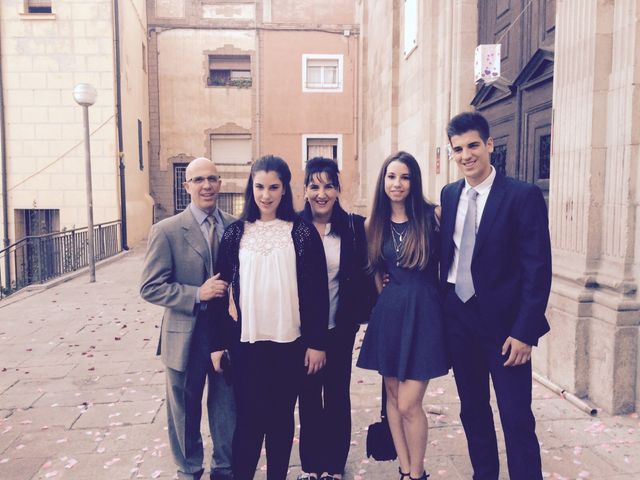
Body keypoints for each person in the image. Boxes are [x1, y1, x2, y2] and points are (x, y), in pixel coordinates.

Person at [440, 111, 552, 480]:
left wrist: (525, 331)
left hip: (506, 331)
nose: (466, 155)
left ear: (489, 145)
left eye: (473, 145)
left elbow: (538, 270)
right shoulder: (450, 194)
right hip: (460, 322)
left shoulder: (523, 195)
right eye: (458, 149)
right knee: (472, 411)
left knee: (517, 418)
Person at [210, 154, 329, 480]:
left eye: (273, 187)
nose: (266, 194)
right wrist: (217, 343)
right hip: (247, 344)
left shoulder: (302, 233)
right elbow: (220, 293)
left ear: (284, 189)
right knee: (248, 421)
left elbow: (319, 293)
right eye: (260, 186)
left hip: (290, 343)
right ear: (251, 187)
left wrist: (317, 343)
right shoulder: (236, 233)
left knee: (280, 420)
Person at [139, 157, 236, 480]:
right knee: (183, 411)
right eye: (198, 180)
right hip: (186, 336)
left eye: (212, 179)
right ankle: (189, 469)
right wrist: (196, 294)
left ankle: (225, 468)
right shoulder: (166, 231)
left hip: (226, 333)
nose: (206, 185)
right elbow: (150, 287)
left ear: (220, 184)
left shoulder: (235, 226)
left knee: (227, 410)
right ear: (186, 187)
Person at [357, 151, 449, 480]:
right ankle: (406, 470)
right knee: (393, 400)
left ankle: (418, 471)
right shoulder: (374, 223)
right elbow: (376, 273)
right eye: (392, 177)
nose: (397, 184)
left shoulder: (432, 216)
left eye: (405, 177)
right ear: (383, 182)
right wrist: (387, 295)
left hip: (424, 313)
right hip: (390, 314)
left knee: (410, 403)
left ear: (414, 181)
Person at [297, 157, 375, 480]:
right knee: (309, 398)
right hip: (302, 333)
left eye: (329, 185)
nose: (321, 193)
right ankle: (311, 467)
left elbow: (369, 270)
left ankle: (333, 467)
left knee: (338, 397)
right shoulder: (294, 229)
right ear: (304, 190)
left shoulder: (355, 227)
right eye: (314, 186)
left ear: (339, 189)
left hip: (340, 329)